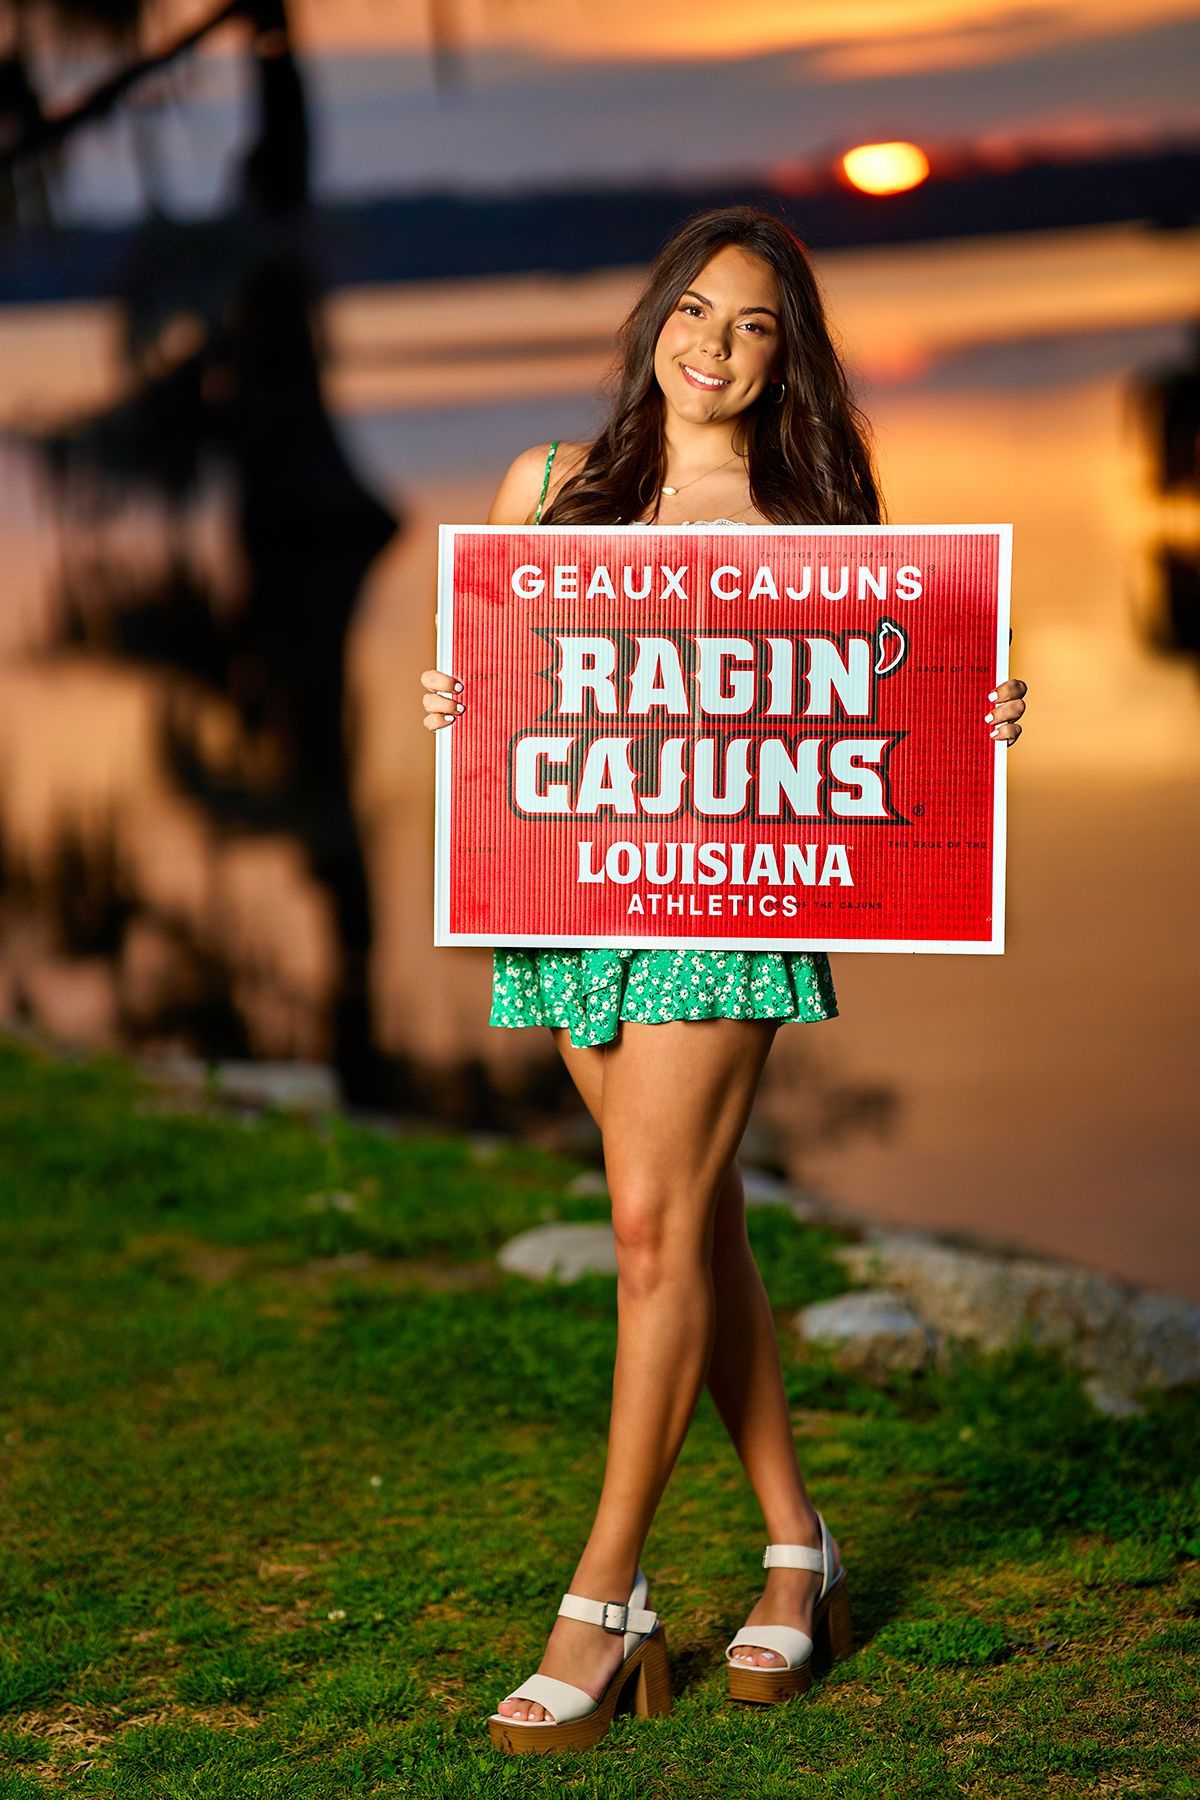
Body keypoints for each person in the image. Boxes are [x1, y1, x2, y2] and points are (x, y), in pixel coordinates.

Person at [420, 205, 1028, 1754]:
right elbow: (505, 699)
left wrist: (982, 713)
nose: (713, 345)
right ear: (655, 324)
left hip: (731, 896)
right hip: (565, 899)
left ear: (787, 358)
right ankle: (794, 1548)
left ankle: (605, 1600)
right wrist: (451, 696)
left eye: (753, 325)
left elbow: (884, 716)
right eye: (694, 312)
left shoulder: (814, 521)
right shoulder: (548, 488)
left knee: (644, 1226)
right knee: (694, 1215)